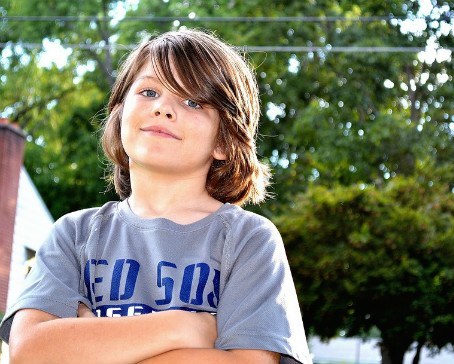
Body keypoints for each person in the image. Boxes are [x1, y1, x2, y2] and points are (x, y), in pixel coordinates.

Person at [0, 28, 312, 364]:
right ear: (119, 115)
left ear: (224, 141)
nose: (163, 108)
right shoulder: (73, 234)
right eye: (149, 91)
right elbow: (30, 351)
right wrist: (186, 327)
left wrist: (94, 347)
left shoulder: (248, 240)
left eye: (192, 101)